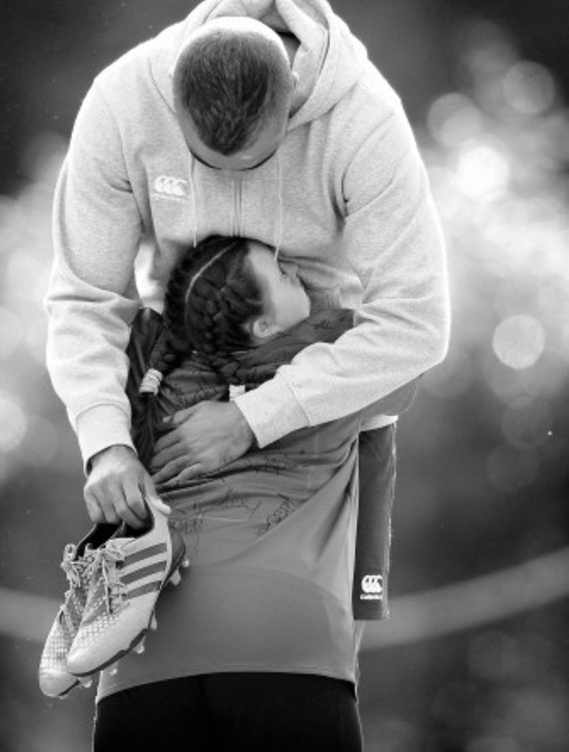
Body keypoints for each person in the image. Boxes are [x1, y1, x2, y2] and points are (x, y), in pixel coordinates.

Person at [44, 0, 450, 543]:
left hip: (326, 387)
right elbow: (86, 298)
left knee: (315, 622)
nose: (230, 180)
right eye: (205, 161)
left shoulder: (366, 120)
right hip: (170, 389)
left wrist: (254, 418)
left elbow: (418, 322)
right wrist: (105, 445)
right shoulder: (123, 102)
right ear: (172, 103)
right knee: (157, 619)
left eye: (256, 163)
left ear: (292, 102)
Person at [87, 234, 419, 751]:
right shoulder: (336, 351)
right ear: (264, 325)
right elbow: (407, 350)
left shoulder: (147, 371)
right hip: (286, 650)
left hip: (142, 661)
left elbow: (102, 321)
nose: (296, 271)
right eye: (284, 275)